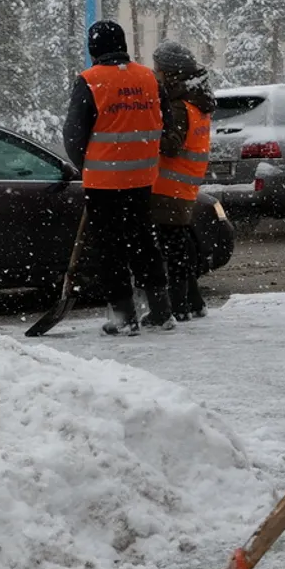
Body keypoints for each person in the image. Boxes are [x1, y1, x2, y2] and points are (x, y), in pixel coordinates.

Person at [60, 20, 176, 334]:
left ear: (93, 47)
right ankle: (161, 310)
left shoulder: (90, 80)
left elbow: (73, 135)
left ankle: (124, 317)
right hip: (142, 178)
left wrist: (89, 164)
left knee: (110, 248)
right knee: (144, 242)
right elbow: (165, 121)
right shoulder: (149, 78)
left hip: (103, 183)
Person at [150, 42, 218, 321]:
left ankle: (179, 306)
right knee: (182, 243)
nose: (155, 75)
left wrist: (148, 134)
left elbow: (171, 145)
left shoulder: (179, 105)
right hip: (185, 184)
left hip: (168, 186)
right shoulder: (196, 101)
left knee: (173, 247)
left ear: (171, 73)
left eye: (158, 70)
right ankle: (193, 302)